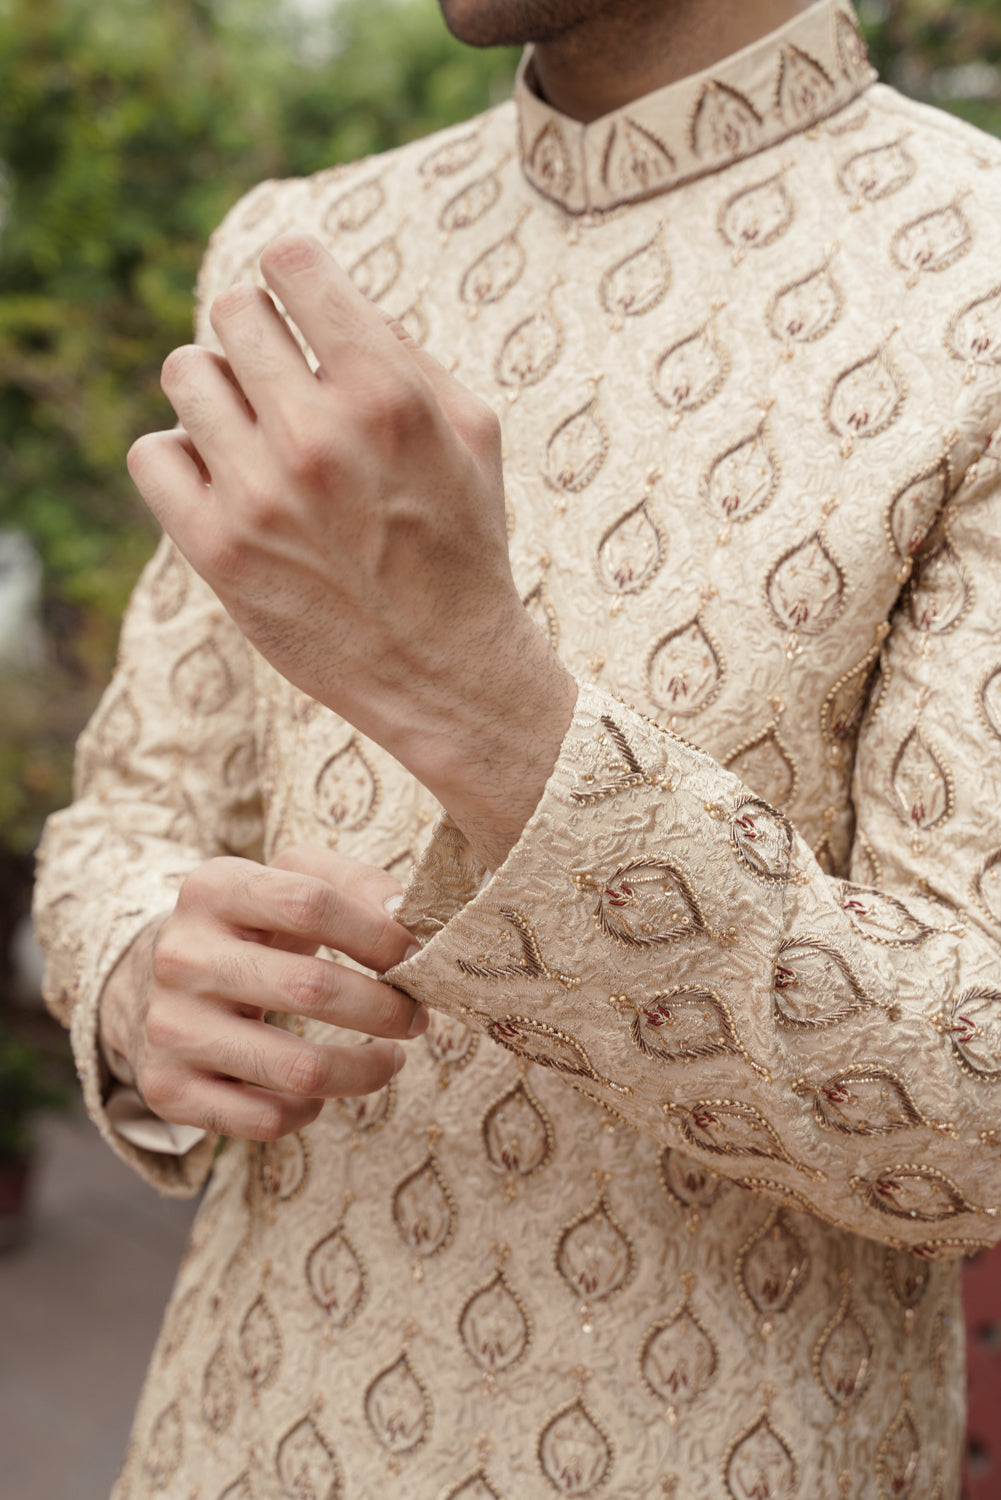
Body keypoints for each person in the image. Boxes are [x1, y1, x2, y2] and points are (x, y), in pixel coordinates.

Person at [33, 0, 1001, 1493]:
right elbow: (130, 813)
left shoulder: (978, 278)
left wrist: (478, 697)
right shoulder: (307, 251)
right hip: (230, 1434)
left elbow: (974, 1117)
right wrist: (131, 963)